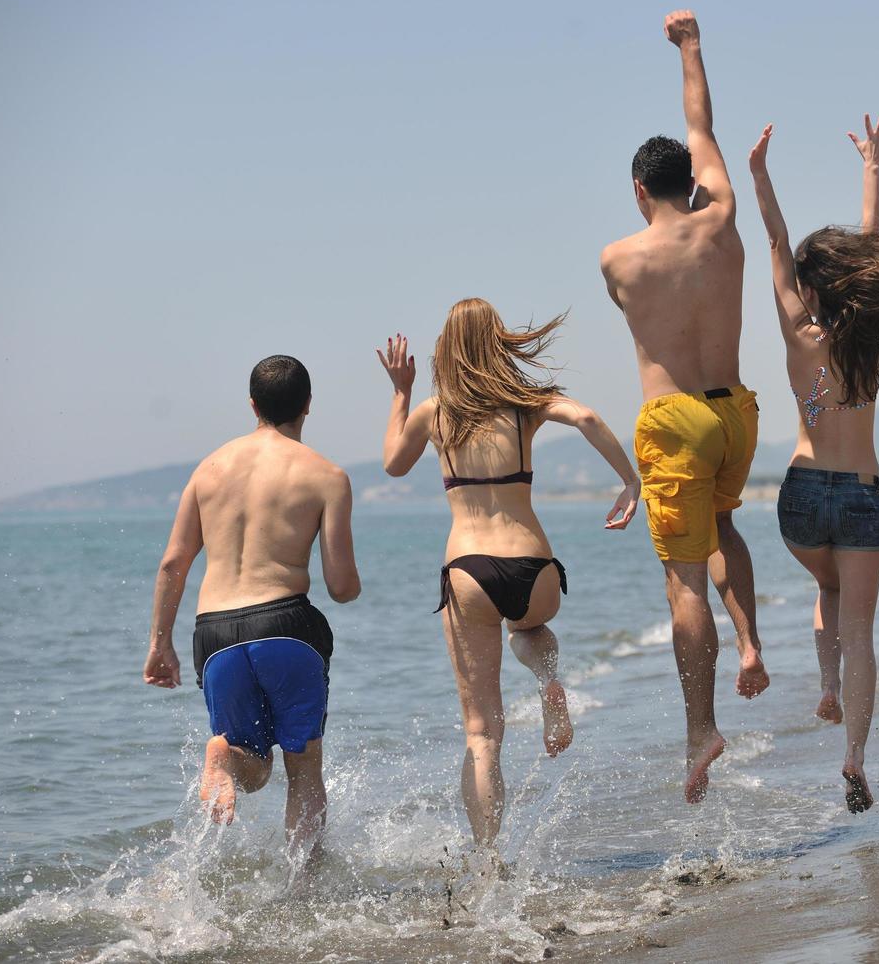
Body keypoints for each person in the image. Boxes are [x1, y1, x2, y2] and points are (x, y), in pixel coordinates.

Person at [377, 299, 639, 845]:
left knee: (481, 735)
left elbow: (393, 465)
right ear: (498, 343)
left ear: (446, 350)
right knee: (529, 628)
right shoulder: (526, 405)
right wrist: (629, 482)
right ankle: (548, 681)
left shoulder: (434, 411)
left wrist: (401, 392)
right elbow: (587, 417)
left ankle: (487, 866)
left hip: (469, 571)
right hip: (535, 568)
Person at [748, 114, 879, 812]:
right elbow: (867, 251)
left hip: (801, 497)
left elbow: (774, 239)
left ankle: (825, 686)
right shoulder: (869, 338)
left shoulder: (800, 339)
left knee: (825, 588)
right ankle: (855, 757)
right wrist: (873, 168)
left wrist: (760, 175)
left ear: (809, 285)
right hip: (860, 493)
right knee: (858, 626)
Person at [600, 9, 769, 804]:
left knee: (683, 585)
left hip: (672, 421)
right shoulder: (725, 217)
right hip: (736, 411)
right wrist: (692, 46)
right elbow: (702, 123)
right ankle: (750, 645)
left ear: (639, 191)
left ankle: (700, 729)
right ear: (691, 180)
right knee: (726, 528)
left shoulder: (620, 259)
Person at [142, 355, 361, 860]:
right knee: (303, 768)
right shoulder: (326, 475)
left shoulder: (208, 470)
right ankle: (303, 889)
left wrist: (160, 645)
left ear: (252, 405)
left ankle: (224, 758)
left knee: (254, 768)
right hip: (287, 625)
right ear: (308, 405)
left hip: (215, 633)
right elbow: (341, 586)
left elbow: (174, 561)